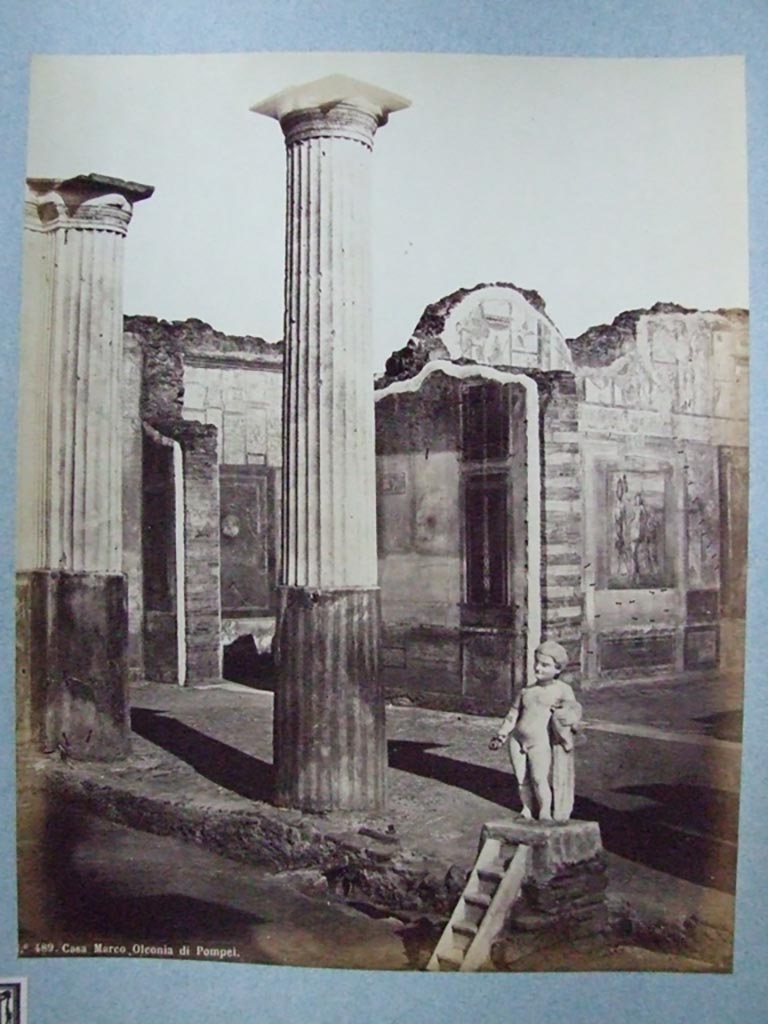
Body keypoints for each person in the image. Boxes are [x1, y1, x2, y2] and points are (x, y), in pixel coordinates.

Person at [489, 640, 582, 822]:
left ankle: (545, 811)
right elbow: (513, 713)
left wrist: (569, 720)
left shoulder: (563, 690)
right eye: (536, 663)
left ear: (557, 669)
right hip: (517, 739)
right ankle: (526, 809)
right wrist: (501, 735)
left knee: (539, 779)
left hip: (540, 742)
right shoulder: (526, 691)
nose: (538, 668)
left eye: (545, 665)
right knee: (521, 779)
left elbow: (574, 710)